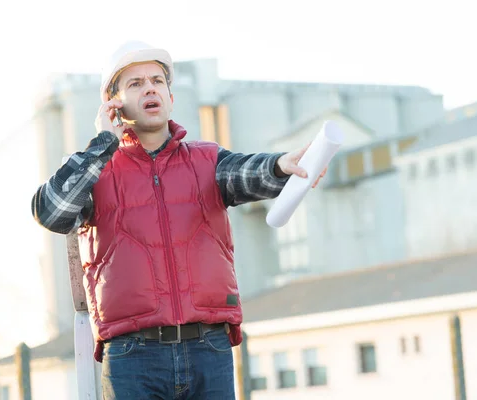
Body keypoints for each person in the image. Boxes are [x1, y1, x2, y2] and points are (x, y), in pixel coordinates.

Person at [31, 41, 325, 400]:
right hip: (131, 355)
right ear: (114, 103)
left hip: (208, 350)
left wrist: (283, 164)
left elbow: (253, 172)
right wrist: (102, 142)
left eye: (157, 80)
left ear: (170, 95)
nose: (150, 87)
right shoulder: (95, 169)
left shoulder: (209, 160)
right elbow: (51, 212)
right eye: (135, 83)